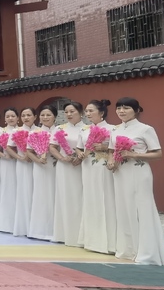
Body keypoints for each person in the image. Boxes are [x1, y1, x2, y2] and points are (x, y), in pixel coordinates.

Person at [108, 97, 164, 266]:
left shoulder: (145, 129)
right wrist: (111, 161)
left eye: (126, 108)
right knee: (124, 208)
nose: (121, 111)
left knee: (141, 209)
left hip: (138, 172)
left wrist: (134, 154)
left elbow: (157, 153)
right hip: (120, 173)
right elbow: (111, 150)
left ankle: (147, 252)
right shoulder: (115, 129)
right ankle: (128, 249)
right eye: (119, 108)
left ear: (136, 110)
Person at [79, 100, 115, 255]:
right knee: (91, 198)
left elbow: (116, 148)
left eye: (91, 111)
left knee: (105, 198)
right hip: (88, 166)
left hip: (104, 167)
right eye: (86, 111)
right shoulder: (84, 130)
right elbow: (79, 147)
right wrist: (79, 153)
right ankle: (91, 239)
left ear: (101, 113)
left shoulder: (112, 129)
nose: (88, 114)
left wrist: (104, 147)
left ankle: (109, 241)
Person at [51, 102, 84, 247]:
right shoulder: (59, 128)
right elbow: (52, 147)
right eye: (66, 112)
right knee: (65, 196)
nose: (69, 114)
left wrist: (81, 158)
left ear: (81, 113)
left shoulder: (87, 129)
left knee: (80, 197)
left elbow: (90, 148)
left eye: (72, 111)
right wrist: (62, 158)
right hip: (64, 167)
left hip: (82, 167)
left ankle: (80, 235)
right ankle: (64, 234)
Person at [28, 105, 58, 241]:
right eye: (42, 115)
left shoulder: (60, 131)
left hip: (57, 166)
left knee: (56, 194)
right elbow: (29, 151)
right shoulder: (35, 132)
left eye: (48, 115)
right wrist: (39, 160)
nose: (45, 117)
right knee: (41, 195)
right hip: (40, 167)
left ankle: (56, 230)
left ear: (55, 116)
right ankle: (39, 230)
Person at [11, 107, 36, 237]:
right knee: (24, 192)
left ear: (35, 117)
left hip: (38, 164)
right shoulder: (16, 131)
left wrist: (35, 156)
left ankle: (36, 225)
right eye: (23, 115)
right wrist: (20, 157)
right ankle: (24, 226)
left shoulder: (39, 131)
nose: (26, 118)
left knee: (36, 192)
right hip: (22, 164)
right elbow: (9, 147)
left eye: (29, 115)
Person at [0, 108, 19, 233]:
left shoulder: (22, 131)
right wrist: (4, 155)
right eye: (8, 116)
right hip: (7, 164)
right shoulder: (1, 131)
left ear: (18, 118)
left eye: (13, 116)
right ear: (4, 119)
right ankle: (7, 224)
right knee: (8, 189)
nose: (10, 118)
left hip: (22, 162)